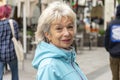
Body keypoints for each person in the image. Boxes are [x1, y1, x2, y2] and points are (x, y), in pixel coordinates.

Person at [32, 1, 88, 80]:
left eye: (70, 27)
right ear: (47, 34)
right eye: (59, 28)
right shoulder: (50, 67)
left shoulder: (68, 58)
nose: (66, 33)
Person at [0, 5, 19, 80]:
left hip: (0, 55)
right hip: (12, 53)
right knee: (15, 75)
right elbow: (16, 38)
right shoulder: (13, 23)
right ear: (8, 13)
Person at [104, 4, 120, 80]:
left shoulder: (111, 24)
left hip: (113, 55)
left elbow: (106, 38)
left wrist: (109, 49)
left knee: (115, 76)